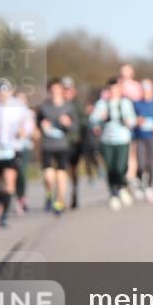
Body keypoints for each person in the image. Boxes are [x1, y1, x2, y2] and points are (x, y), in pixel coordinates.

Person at [0, 79, 32, 228]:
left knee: (9, 183)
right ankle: (0, 200)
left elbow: (28, 122)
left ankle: (4, 216)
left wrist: (24, 131)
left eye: (5, 92)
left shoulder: (18, 106)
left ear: (10, 92)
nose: (2, 95)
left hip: (12, 148)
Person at [90, 77, 136, 211]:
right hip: (107, 140)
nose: (114, 92)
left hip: (122, 139)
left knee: (120, 168)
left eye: (116, 89)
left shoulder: (126, 103)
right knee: (110, 168)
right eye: (111, 89)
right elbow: (92, 119)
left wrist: (129, 121)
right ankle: (114, 194)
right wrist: (100, 118)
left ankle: (121, 186)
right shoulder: (102, 104)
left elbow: (132, 120)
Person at [36, 78, 78, 214]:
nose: (55, 92)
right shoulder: (43, 107)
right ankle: (49, 194)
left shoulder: (68, 107)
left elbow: (76, 126)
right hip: (47, 145)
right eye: (52, 89)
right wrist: (42, 127)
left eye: (57, 89)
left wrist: (68, 123)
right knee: (48, 177)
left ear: (61, 90)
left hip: (63, 146)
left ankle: (60, 201)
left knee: (61, 175)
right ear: (49, 91)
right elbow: (36, 126)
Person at [61, 76, 89, 209]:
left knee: (73, 170)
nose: (67, 92)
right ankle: (60, 197)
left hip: (74, 143)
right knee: (61, 170)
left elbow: (84, 122)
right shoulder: (56, 104)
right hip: (59, 143)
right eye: (64, 89)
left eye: (69, 89)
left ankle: (74, 193)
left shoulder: (78, 105)